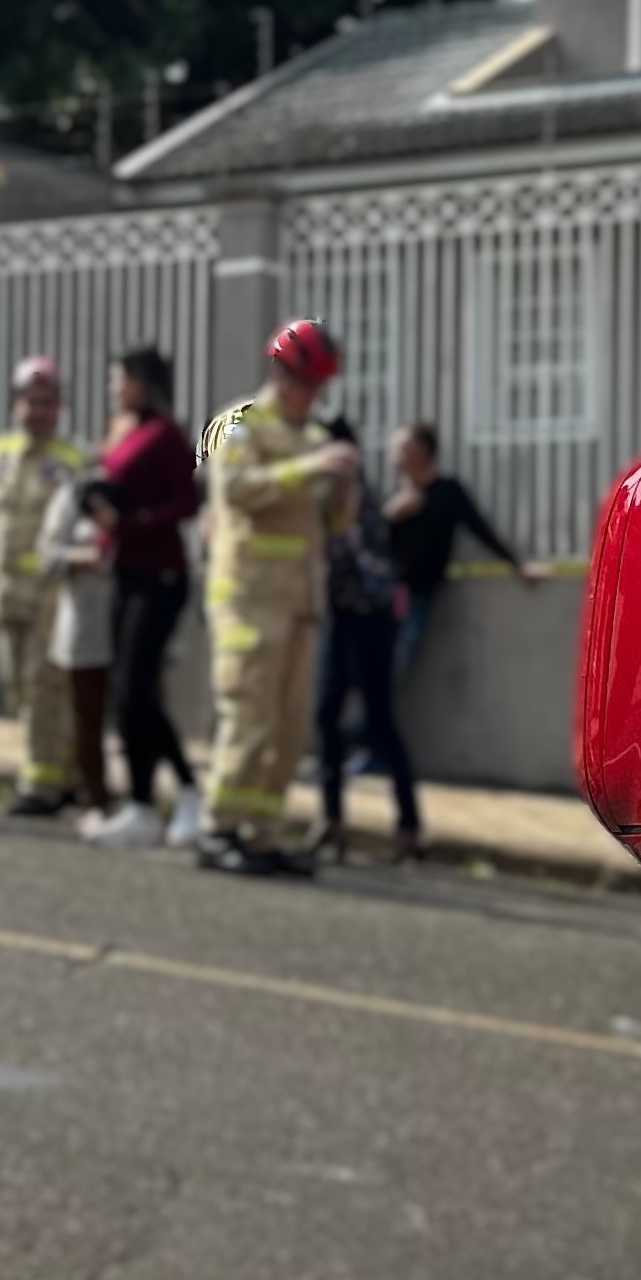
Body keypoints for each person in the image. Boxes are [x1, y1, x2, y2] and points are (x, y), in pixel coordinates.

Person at [194, 320, 357, 876]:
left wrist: (344, 489)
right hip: (248, 599)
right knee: (249, 718)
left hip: (300, 604)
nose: (317, 397)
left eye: (321, 387)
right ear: (282, 375)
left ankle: (261, 833)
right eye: (310, 384)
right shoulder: (238, 426)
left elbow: (333, 525)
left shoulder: (313, 436)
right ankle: (218, 828)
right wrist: (311, 467)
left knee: (287, 730)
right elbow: (238, 490)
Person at [0, 356, 93, 819]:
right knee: (19, 692)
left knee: (44, 688)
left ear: (60, 406)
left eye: (46, 402)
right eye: (30, 401)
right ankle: (59, 773)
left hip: (50, 595)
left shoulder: (74, 461)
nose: (38, 411)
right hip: (7, 594)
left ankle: (43, 783)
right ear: (15, 404)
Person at [360, 419, 545, 761]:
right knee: (370, 674)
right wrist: (390, 516)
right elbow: (368, 544)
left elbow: (480, 528)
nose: (393, 456)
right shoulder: (395, 497)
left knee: (391, 672)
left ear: (420, 452)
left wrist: (517, 566)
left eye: (400, 448)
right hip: (380, 600)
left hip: (415, 601)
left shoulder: (446, 492)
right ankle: (360, 744)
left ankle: (368, 749)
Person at [83, 346, 206, 850]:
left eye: (122, 378)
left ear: (143, 381)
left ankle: (189, 790)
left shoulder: (165, 435)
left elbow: (188, 501)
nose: (115, 386)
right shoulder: (122, 428)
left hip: (161, 576)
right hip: (125, 572)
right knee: (124, 692)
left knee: (137, 689)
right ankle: (139, 804)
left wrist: (131, 523)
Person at [310, 419, 421, 865]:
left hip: (371, 620)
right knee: (326, 718)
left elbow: (362, 561)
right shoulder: (328, 498)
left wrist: (343, 519)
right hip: (341, 618)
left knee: (379, 722)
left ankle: (409, 829)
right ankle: (332, 821)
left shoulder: (358, 499)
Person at [43, 477, 121, 817]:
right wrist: (86, 557)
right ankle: (95, 795)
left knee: (134, 712)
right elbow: (47, 553)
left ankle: (136, 799)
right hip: (86, 624)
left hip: (132, 621)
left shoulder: (148, 493)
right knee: (87, 714)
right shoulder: (76, 492)